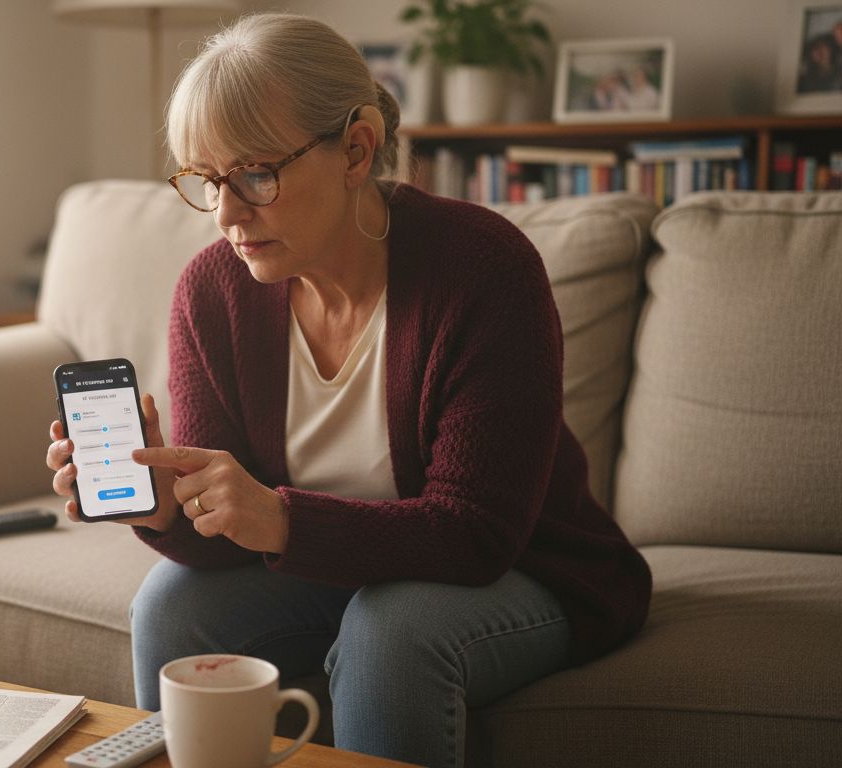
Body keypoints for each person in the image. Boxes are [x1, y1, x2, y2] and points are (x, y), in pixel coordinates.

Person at [44, 13, 651, 768]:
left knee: (391, 629)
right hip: (337, 568)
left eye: (255, 174)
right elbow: (225, 537)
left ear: (356, 150)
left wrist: (279, 520)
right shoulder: (213, 292)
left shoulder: (485, 272)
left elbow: (477, 533)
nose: (227, 215)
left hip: (525, 569)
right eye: (208, 181)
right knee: (172, 604)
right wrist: (167, 508)